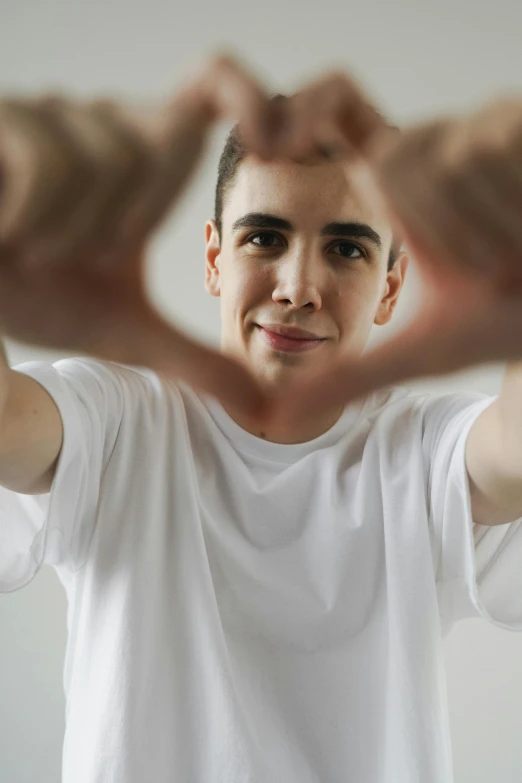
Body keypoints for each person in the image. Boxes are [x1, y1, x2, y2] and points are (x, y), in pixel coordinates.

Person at [0, 54, 521, 783]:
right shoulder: (117, 419)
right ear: (214, 258)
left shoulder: (423, 452)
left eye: (346, 247)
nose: (299, 286)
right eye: (264, 237)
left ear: (391, 285)